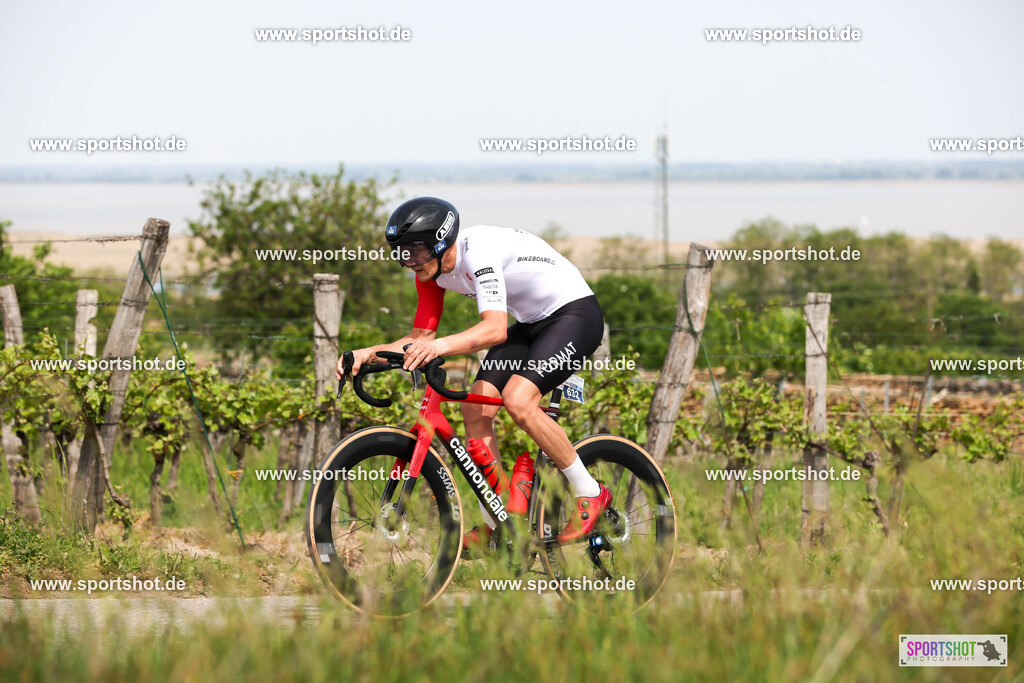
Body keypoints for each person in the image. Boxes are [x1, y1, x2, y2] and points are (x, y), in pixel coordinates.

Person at [337, 196, 609, 549]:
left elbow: (494, 329)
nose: (408, 263)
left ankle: (590, 491)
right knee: (475, 410)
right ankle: (495, 525)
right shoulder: (430, 273)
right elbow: (419, 338)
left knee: (518, 399)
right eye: (401, 253)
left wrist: (438, 348)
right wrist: (366, 354)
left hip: (574, 315)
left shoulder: (477, 251)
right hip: (531, 324)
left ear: (441, 240)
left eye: (414, 252)